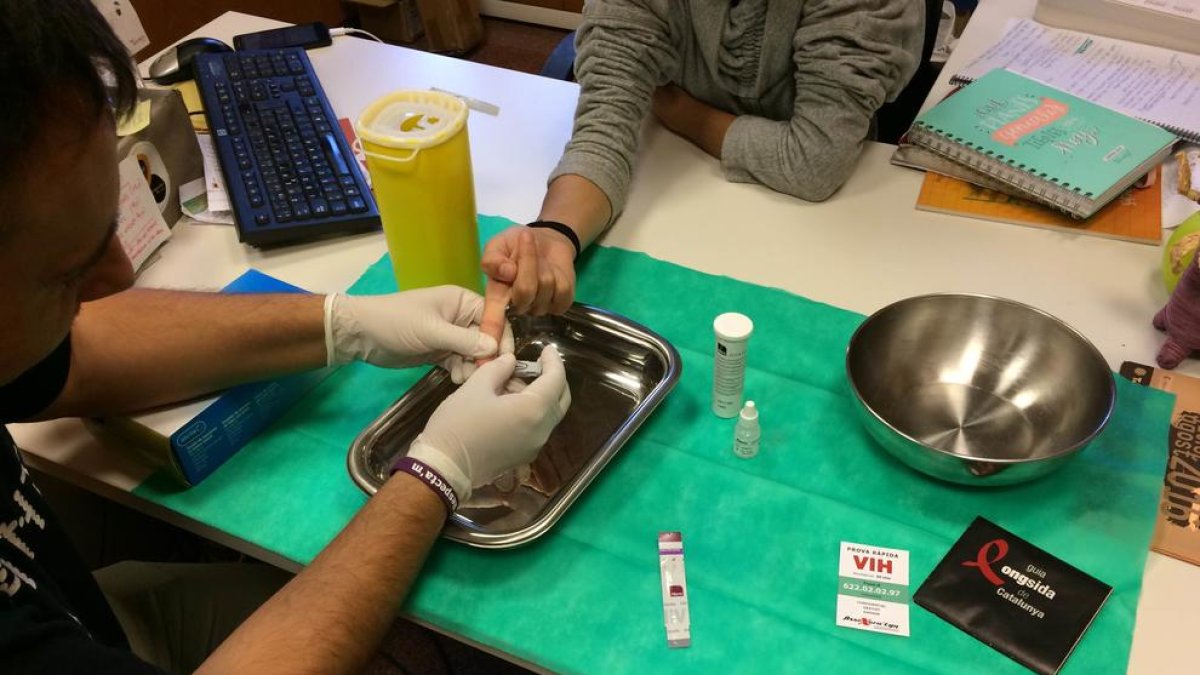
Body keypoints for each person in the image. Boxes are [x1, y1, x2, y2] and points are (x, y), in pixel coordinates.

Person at [0, 1, 570, 672]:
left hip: (94, 619)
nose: (121, 274)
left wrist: (346, 323)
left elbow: (81, 350)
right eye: (64, 271)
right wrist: (435, 473)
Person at [480, 0, 924, 320]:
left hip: (823, 232)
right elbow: (604, 129)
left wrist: (679, 110)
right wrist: (557, 232)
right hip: (695, 195)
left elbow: (813, 160)